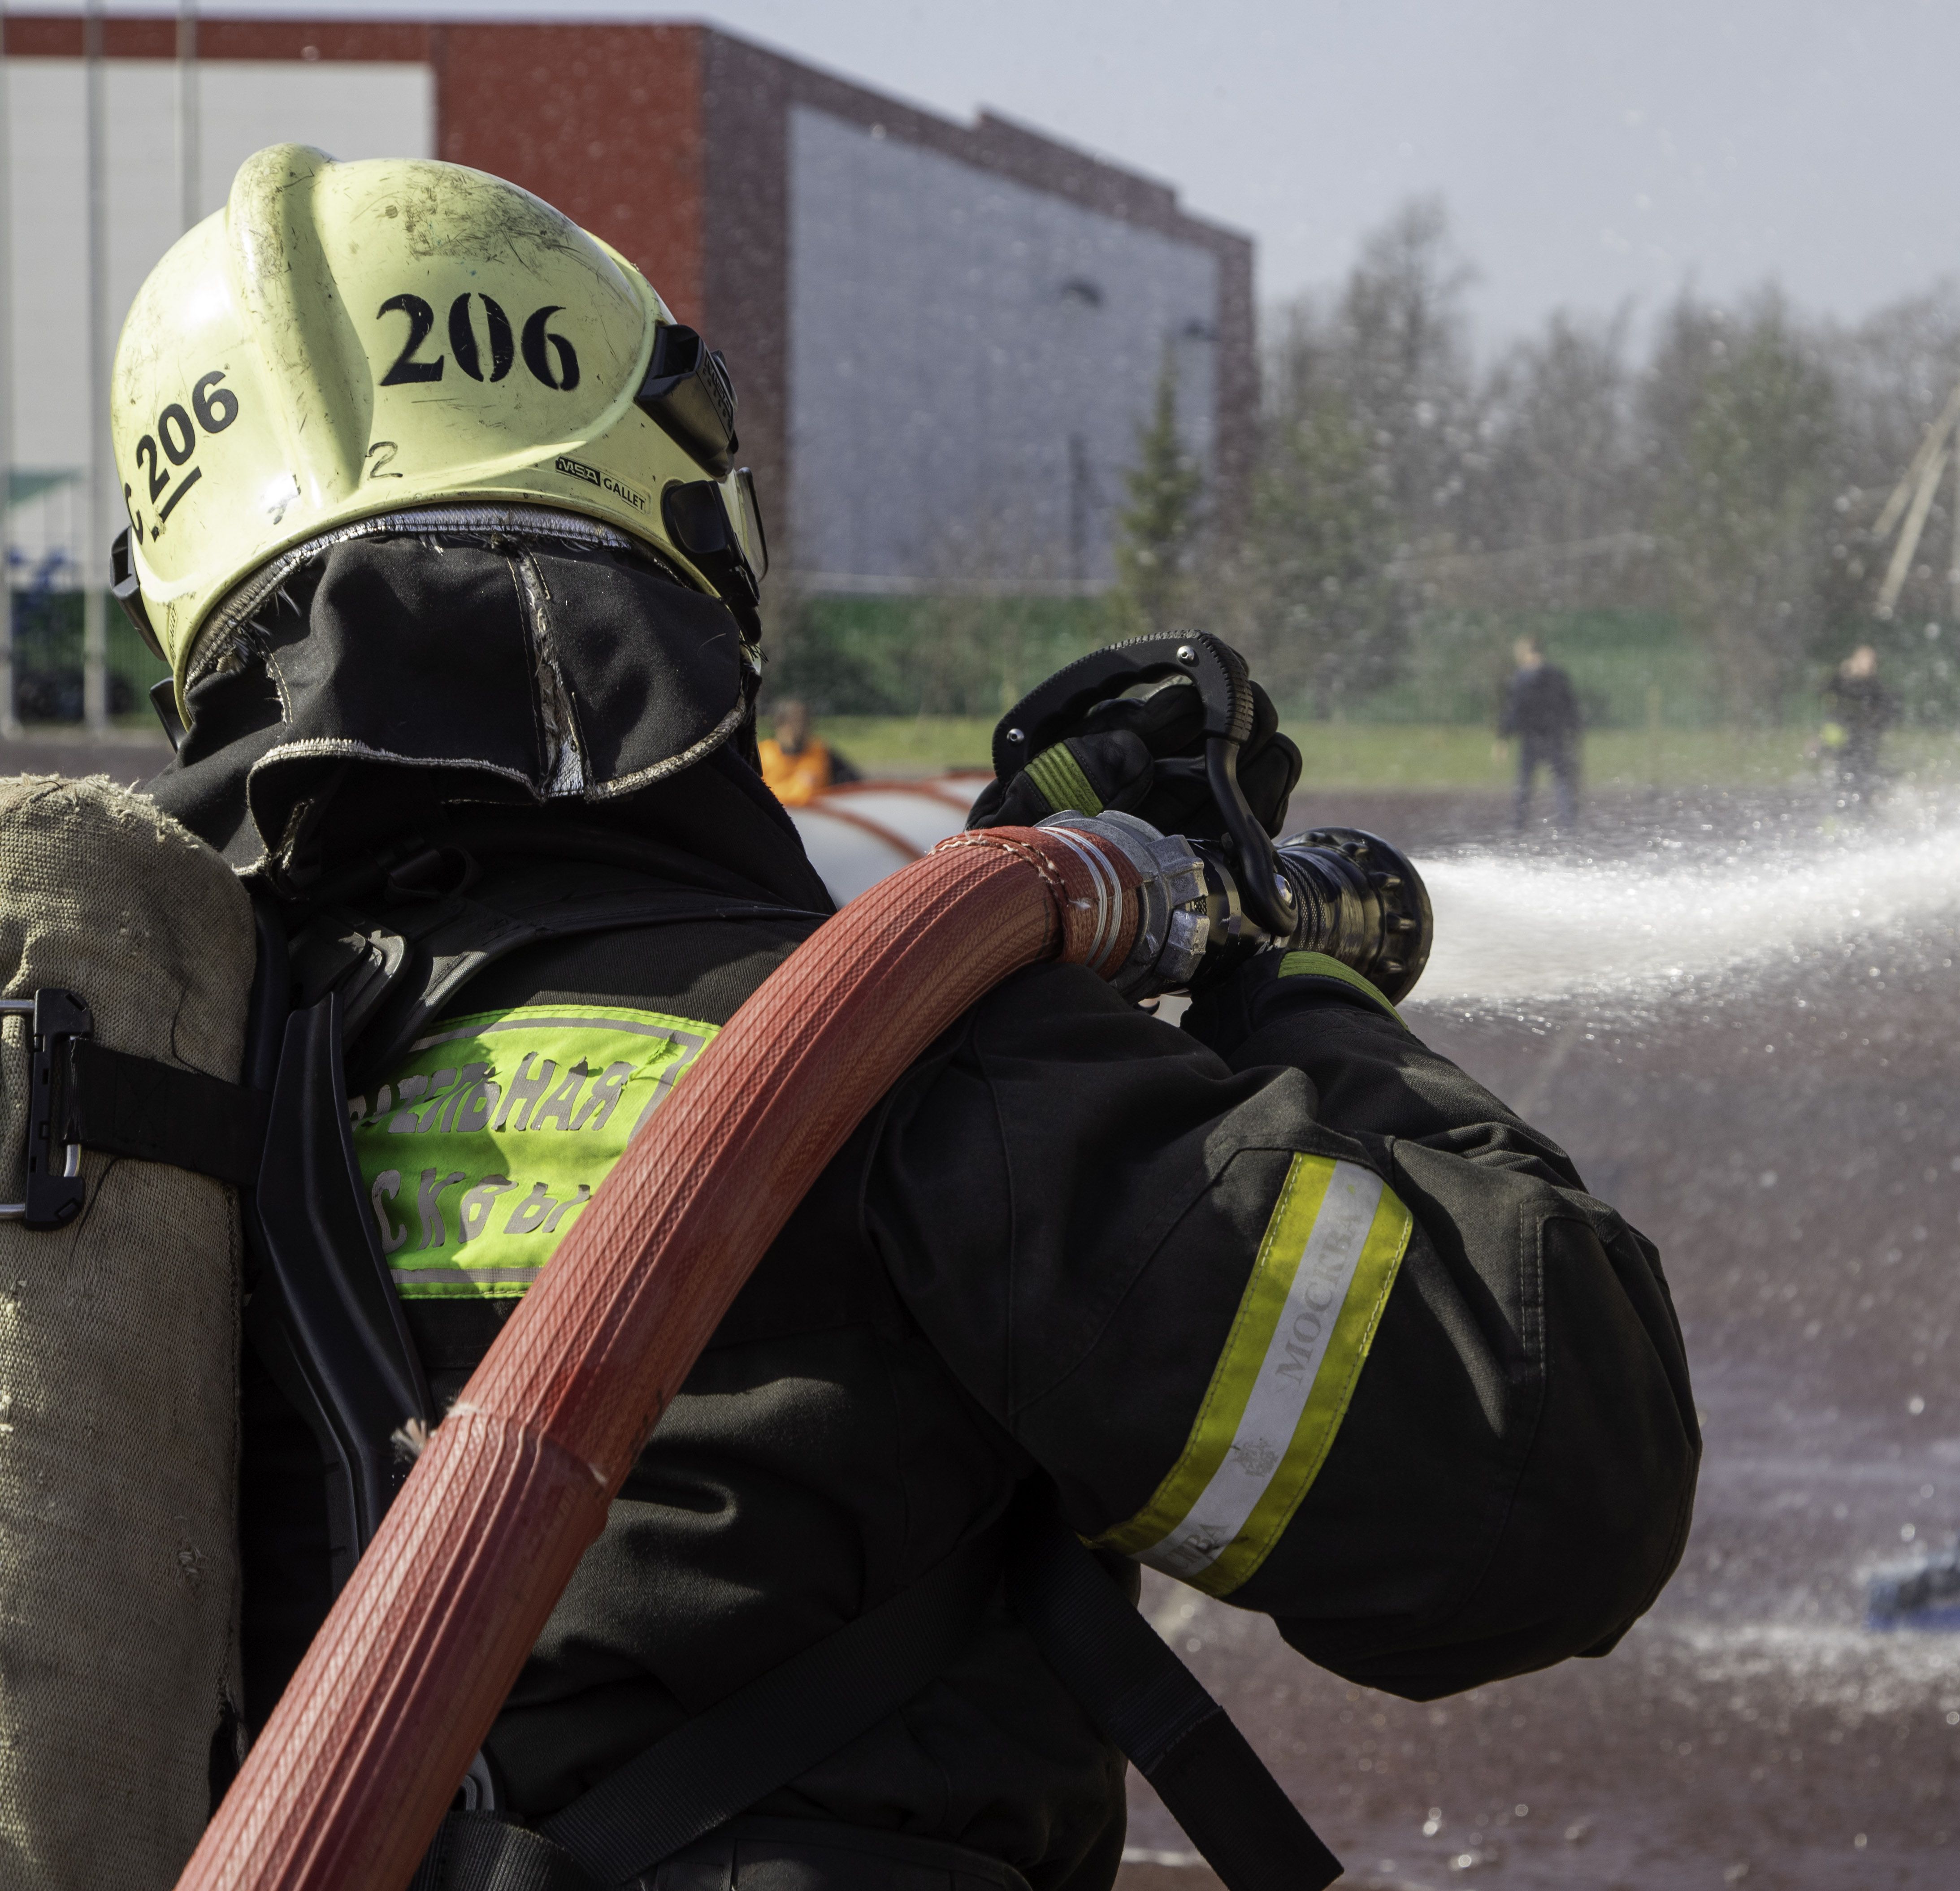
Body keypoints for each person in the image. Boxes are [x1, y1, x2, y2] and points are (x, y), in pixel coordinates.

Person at [126, 147, 1697, 1888]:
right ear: (692, 521)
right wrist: (1275, 971)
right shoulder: (907, 1064)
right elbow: (1539, 1483)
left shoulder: (113, 1105)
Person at [1498, 635, 1582, 829]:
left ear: (1528, 652)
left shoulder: (1522, 678)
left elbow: (1515, 710)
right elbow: (1570, 706)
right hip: (1555, 737)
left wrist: (1504, 737)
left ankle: (1519, 826)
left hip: (1533, 738)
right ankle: (1568, 826)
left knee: (1525, 786)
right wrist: (1574, 732)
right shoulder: (1557, 675)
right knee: (1561, 783)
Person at [1819, 644, 1896, 809]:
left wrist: (1874, 727)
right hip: (1844, 737)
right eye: (1861, 659)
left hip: (1866, 739)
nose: (1864, 664)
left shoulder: (1875, 686)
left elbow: (1885, 709)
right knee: (1842, 774)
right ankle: (1842, 804)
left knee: (1864, 775)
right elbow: (1826, 692)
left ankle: (1867, 803)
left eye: (1868, 661)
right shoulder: (1843, 679)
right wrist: (1843, 674)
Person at [757, 697, 859, 805]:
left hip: (815, 817)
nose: (803, 728)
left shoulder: (822, 753)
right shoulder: (762, 755)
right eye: (797, 722)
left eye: (806, 722)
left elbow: (855, 785)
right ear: (781, 724)